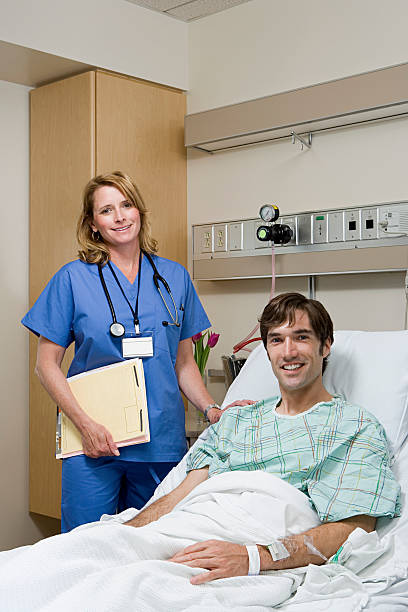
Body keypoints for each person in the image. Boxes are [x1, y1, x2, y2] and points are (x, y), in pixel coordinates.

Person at [123, 292, 400, 583]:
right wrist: (125, 535)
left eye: (301, 337)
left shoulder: (354, 426)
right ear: (267, 350)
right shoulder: (238, 420)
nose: (288, 351)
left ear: (326, 346)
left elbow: (354, 528)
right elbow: (180, 496)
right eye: (277, 340)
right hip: (187, 530)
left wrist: (254, 557)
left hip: (247, 547)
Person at [21, 170, 240, 533]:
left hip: (160, 441)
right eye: (106, 210)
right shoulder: (72, 279)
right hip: (93, 442)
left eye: (126, 205)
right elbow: (46, 366)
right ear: (92, 223)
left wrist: (211, 409)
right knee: (85, 546)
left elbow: (183, 364)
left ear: (139, 211)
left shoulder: (174, 277)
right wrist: (85, 425)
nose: (120, 216)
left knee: (151, 548)